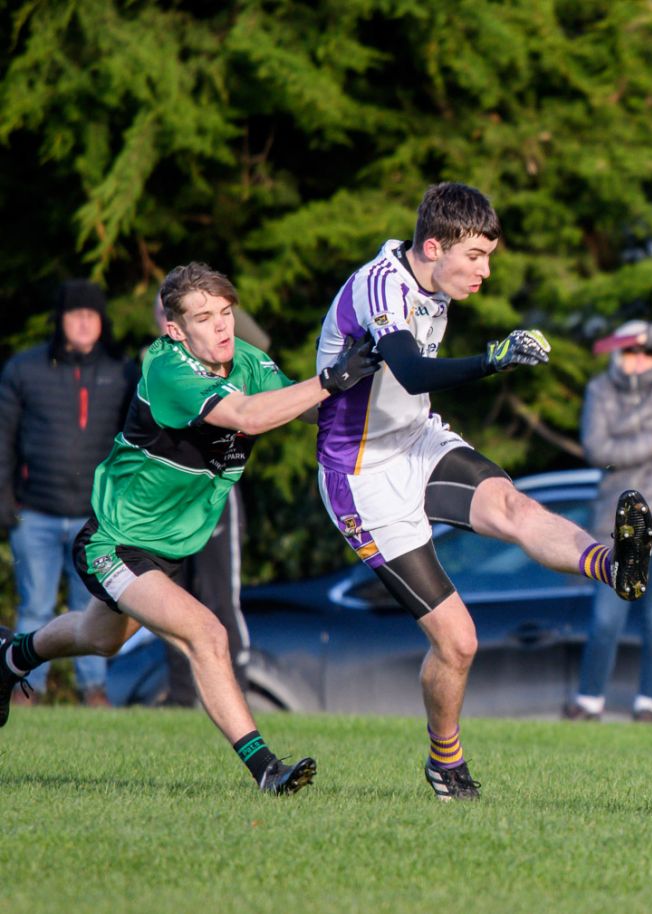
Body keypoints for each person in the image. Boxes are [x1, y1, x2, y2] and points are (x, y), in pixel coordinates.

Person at [315, 181, 652, 800]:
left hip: (415, 441)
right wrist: (492, 359)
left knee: (513, 506)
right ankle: (445, 761)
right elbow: (412, 370)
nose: (486, 272)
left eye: (489, 258)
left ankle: (613, 564)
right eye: (476, 256)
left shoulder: (434, 283)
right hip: (360, 476)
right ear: (434, 244)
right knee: (459, 641)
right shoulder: (379, 284)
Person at [0, 262, 381, 795]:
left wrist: (370, 377)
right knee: (208, 633)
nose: (222, 326)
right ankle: (266, 770)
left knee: (98, 640)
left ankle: (10, 657)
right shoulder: (167, 369)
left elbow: (300, 411)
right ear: (176, 330)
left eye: (226, 312)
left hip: (169, 546)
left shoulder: (246, 359)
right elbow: (247, 416)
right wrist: (328, 381)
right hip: (116, 541)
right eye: (205, 318)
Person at [565, 319, 652, 723]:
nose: (641, 358)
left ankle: (649, 705)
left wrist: (647, 333)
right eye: (630, 350)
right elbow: (597, 448)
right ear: (617, 355)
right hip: (618, 521)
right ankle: (589, 700)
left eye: (647, 351)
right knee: (606, 617)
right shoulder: (600, 389)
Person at [0, 280, 137, 707]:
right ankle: (23, 687)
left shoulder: (123, 371)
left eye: (91, 315)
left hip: (97, 517)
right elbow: (3, 438)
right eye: (74, 314)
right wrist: (5, 501)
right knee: (35, 607)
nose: (82, 322)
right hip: (35, 512)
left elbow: (138, 442)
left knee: (97, 608)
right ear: (60, 320)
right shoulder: (24, 369)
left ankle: (93, 690)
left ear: (102, 322)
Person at [149, 292, 266, 706]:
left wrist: (218, 313)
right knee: (170, 599)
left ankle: (239, 689)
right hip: (164, 498)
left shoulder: (231, 363)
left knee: (220, 595)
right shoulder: (158, 365)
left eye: (221, 314)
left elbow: (259, 344)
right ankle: (182, 695)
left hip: (212, 491)